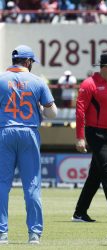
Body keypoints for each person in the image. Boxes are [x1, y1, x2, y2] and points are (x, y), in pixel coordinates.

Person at [0, 45, 57, 244]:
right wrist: (39, 107)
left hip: (4, 131)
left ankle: (2, 233)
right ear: (28, 62)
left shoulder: (0, 79)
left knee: (1, 185)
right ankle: (34, 234)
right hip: (29, 132)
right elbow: (52, 113)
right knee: (32, 185)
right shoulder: (37, 81)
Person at [72, 51, 107, 223]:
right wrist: (80, 137)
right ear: (106, 67)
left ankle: (79, 213)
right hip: (95, 133)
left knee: (95, 175)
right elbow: (80, 112)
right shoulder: (89, 84)